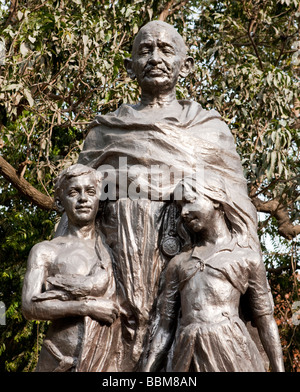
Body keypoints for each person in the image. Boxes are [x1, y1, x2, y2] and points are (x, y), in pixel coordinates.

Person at [56, 21, 264, 370]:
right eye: (145, 50)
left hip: (190, 268)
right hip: (118, 267)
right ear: (131, 65)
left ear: (185, 63)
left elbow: (238, 207)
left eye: (166, 49)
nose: (155, 58)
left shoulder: (210, 130)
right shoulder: (105, 132)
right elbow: (76, 206)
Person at [142, 174, 285, 372]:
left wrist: (279, 369)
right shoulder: (178, 263)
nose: (183, 212)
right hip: (186, 351)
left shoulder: (246, 258)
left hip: (230, 347)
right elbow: (165, 327)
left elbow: (265, 320)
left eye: (189, 201)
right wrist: (147, 370)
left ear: (215, 199)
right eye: (179, 206)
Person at [22, 164, 121, 372]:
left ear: (99, 200)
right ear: (60, 201)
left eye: (90, 192)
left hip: (107, 357)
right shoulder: (45, 251)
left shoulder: (113, 250)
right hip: (60, 358)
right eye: (74, 192)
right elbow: (29, 306)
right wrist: (87, 307)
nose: (83, 198)